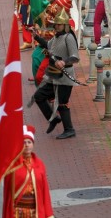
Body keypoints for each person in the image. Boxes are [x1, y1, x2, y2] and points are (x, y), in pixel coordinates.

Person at [33, 8, 79, 139]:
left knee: (62, 103)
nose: (55, 26)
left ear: (64, 25)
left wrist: (64, 62)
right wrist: (36, 36)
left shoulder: (69, 38)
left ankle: (69, 129)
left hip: (64, 76)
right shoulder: (56, 37)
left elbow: (75, 57)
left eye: (58, 24)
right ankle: (53, 119)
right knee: (39, 96)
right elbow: (48, 46)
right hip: (53, 75)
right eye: (55, 24)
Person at [3, 125, 54, 218]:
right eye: (24, 142)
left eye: (29, 142)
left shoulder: (39, 164)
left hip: (35, 212)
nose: (27, 145)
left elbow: (44, 191)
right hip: (17, 212)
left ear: (33, 144)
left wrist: (49, 213)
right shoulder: (13, 164)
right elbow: (8, 191)